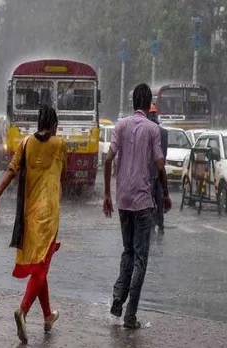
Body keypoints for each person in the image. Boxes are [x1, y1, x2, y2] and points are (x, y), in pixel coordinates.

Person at [0, 105, 65, 344]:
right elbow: (63, 176)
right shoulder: (59, 145)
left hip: (28, 214)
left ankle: (48, 316)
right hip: (49, 217)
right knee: (42, 267)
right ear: (55, 125)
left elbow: (10, 171)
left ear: (38, 123)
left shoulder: (26, 144)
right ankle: (23, 311)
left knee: (39, 265)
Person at [103, 84, 172, 329]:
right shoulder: (153, 130)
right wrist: (165, 195)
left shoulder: (120, 126)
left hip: (122, 200)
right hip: (143, 202)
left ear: (133, 101)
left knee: (127, 252)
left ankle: (117, 300)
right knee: (141, 258)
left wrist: (107, 195)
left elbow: (108, 159)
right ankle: (130, 315)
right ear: (148, 104)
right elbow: (160, 166)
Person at [148, 104, 168, 233]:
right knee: (159, 199)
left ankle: (150, 225)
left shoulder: (144, 131)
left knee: (148, 202)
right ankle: (160, 225)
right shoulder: (164, 133)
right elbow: (163, 155)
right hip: (159, 171)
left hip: (146, 174)